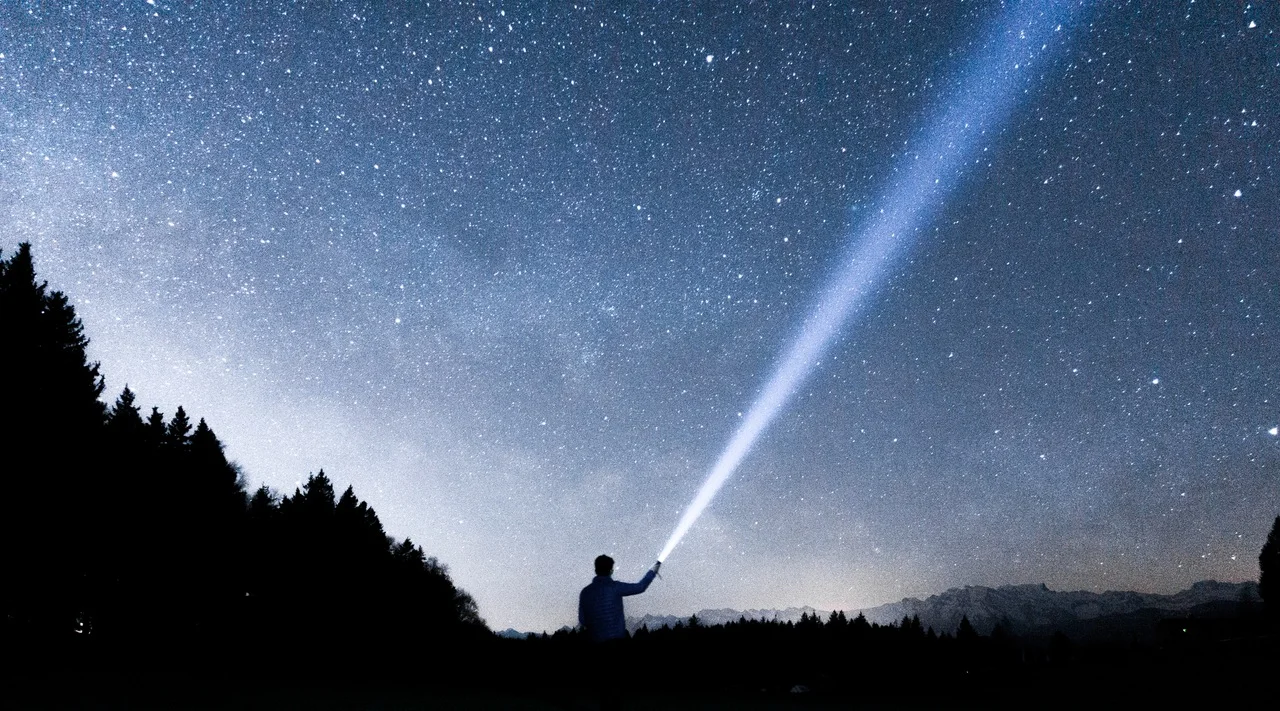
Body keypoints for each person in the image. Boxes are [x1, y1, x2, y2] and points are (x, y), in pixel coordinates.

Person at [578, 555, 660, 643]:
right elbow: (640, 587)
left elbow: (582, 619)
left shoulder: (585, 592)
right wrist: (653, 570)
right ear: (611, 571)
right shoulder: (616, 587)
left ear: (595, 570)